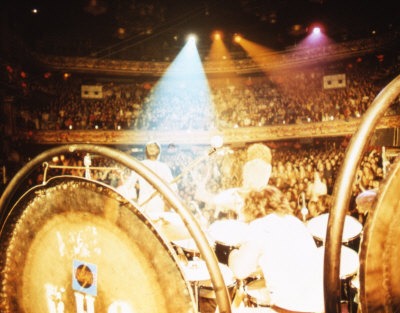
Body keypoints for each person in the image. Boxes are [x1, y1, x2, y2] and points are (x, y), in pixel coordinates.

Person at [228, 185, 325, 313]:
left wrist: (233, 253)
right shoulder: (295, 223)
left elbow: (240, 271)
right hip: (317, 308)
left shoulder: (261, 225)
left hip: (291, 310)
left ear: (252, 205)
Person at [134, 141, 178, 218]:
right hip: (143, 202)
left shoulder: (164, 167)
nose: (152, 149)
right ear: (146, 150)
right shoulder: (140, 164)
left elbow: (172, 187)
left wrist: (168, 202)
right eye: (149, 146)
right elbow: (130, 184)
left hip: (158, 202)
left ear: (158, 150)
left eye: (154, 147)